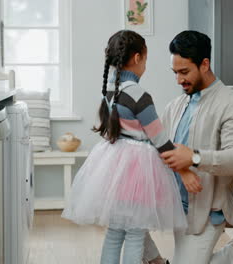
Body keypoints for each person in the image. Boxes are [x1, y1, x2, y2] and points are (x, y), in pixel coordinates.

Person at [61, 30, 202, 264]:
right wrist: (185, 171)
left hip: (115, 165)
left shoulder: (110, 91)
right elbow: (160, 139)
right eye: (145, 59)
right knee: (136, 233)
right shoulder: (139, 95)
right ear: (137, 58)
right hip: (139, 170)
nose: (145, 64)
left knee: (115, 232)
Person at [143, 30, 233, 264]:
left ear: (205, 64)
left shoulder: (231, 104)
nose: (179, 80)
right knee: (125, 222)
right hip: (174, 205)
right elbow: (158, 145)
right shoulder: (177, 104)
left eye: (184, 72)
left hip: (205, 213)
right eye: (175, 73)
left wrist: (193, 158)